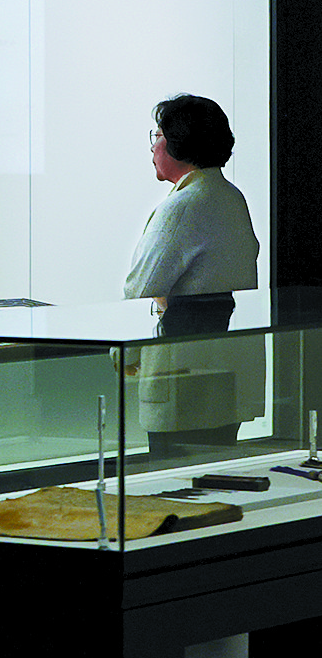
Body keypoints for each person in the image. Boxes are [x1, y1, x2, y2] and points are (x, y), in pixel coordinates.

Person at [122, 94, 261, 451]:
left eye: (157, 136)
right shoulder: (231, 197)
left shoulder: (182, 206)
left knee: (177, 489)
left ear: (176, 144)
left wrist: (122, 357)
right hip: (226, 373)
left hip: (183, 375)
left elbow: (139, 290)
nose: (153, 147)